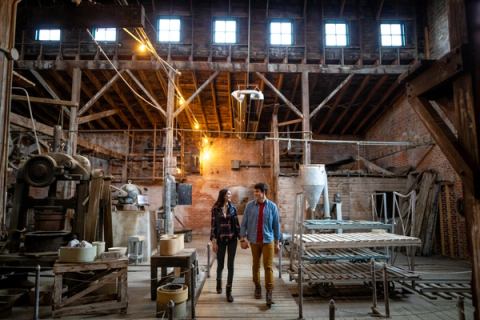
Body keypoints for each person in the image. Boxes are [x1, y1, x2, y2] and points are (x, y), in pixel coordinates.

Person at [240, 182, 281, 308]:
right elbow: (244, 223)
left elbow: (276, 225)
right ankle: (257, 286)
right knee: (255, 265)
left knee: (268, 267)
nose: (255, 193)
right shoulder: (249, 206)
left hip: (268, 241)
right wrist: (242, 238)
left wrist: (277, 242)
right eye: (255, 191)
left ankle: (269, 292)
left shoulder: (272, 207)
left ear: (264, 193)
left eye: (258, 191)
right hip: (254, 241)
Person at [210, 188, 240, 303]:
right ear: (223, 195)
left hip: (232, 240)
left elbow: (237, 225)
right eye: (228, 193)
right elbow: (213, 226)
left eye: (230, 193)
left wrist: (241, 238)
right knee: (220, 264)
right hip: (220, 240)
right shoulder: (215, 209)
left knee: (230, 265)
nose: (230, 195)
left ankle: (229, 291)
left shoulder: (233, 208)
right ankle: (219, 283)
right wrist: (213, 241)